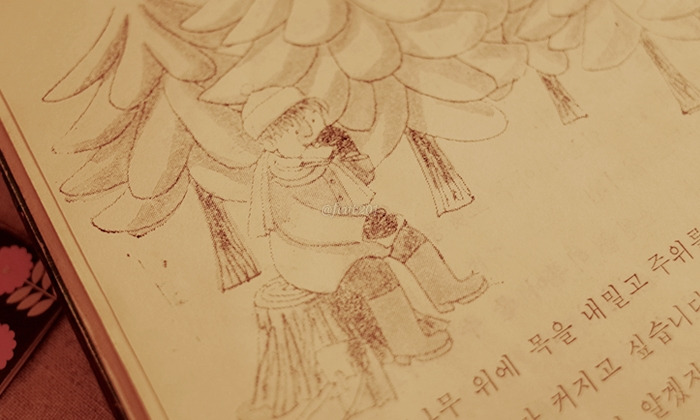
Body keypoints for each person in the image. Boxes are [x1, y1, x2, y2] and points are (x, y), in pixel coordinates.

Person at [245, 87, 488, 363]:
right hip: (311, 256)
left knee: (405, 235)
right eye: (295, 129)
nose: (308, 132)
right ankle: (407, 341)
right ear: (270, 143)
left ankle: (445, 289)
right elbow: (305, 226)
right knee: (374, 273)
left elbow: (361, 180)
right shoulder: (279, 179)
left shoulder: (319, 155)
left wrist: (351, 155)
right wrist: (362, 227)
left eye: (311, 120)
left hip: (352, 232)